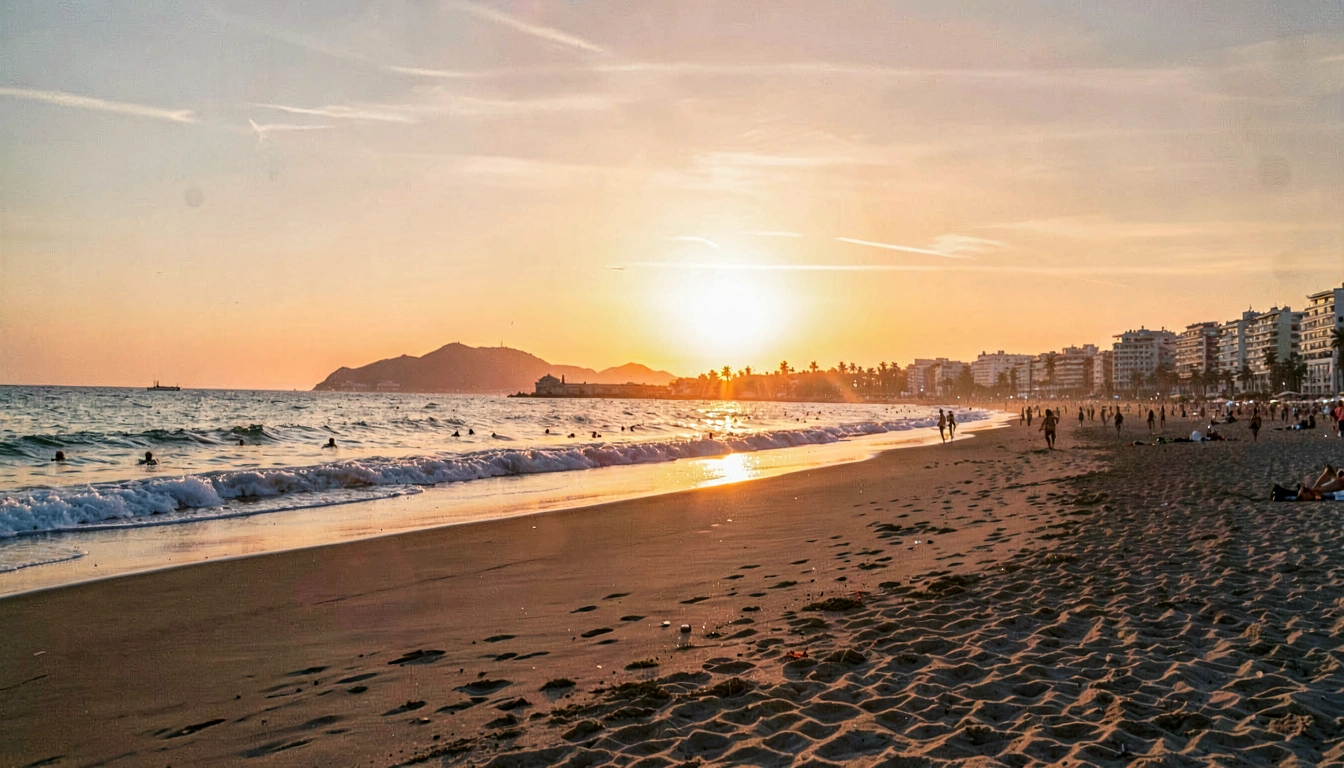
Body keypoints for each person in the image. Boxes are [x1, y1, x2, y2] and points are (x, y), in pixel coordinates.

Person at [1272, 465, 1344, 501]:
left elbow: (1340, 484)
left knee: (1314, 495)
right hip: (1334, 492)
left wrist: (1316, 490)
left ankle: (1289, 496)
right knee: (1331, 471)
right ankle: (1291, 494)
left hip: (1335, 494)